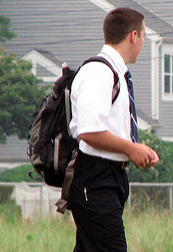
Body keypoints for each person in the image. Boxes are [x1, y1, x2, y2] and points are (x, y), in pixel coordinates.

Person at [67, 7, 159, 252]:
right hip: (95, 178)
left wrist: (134, 151)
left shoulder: (115, 72)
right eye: (144, 36)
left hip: (109, 177)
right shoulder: (99, 72)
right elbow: (89, 131)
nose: (143, 43)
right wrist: (131, 148)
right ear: (133, 36)